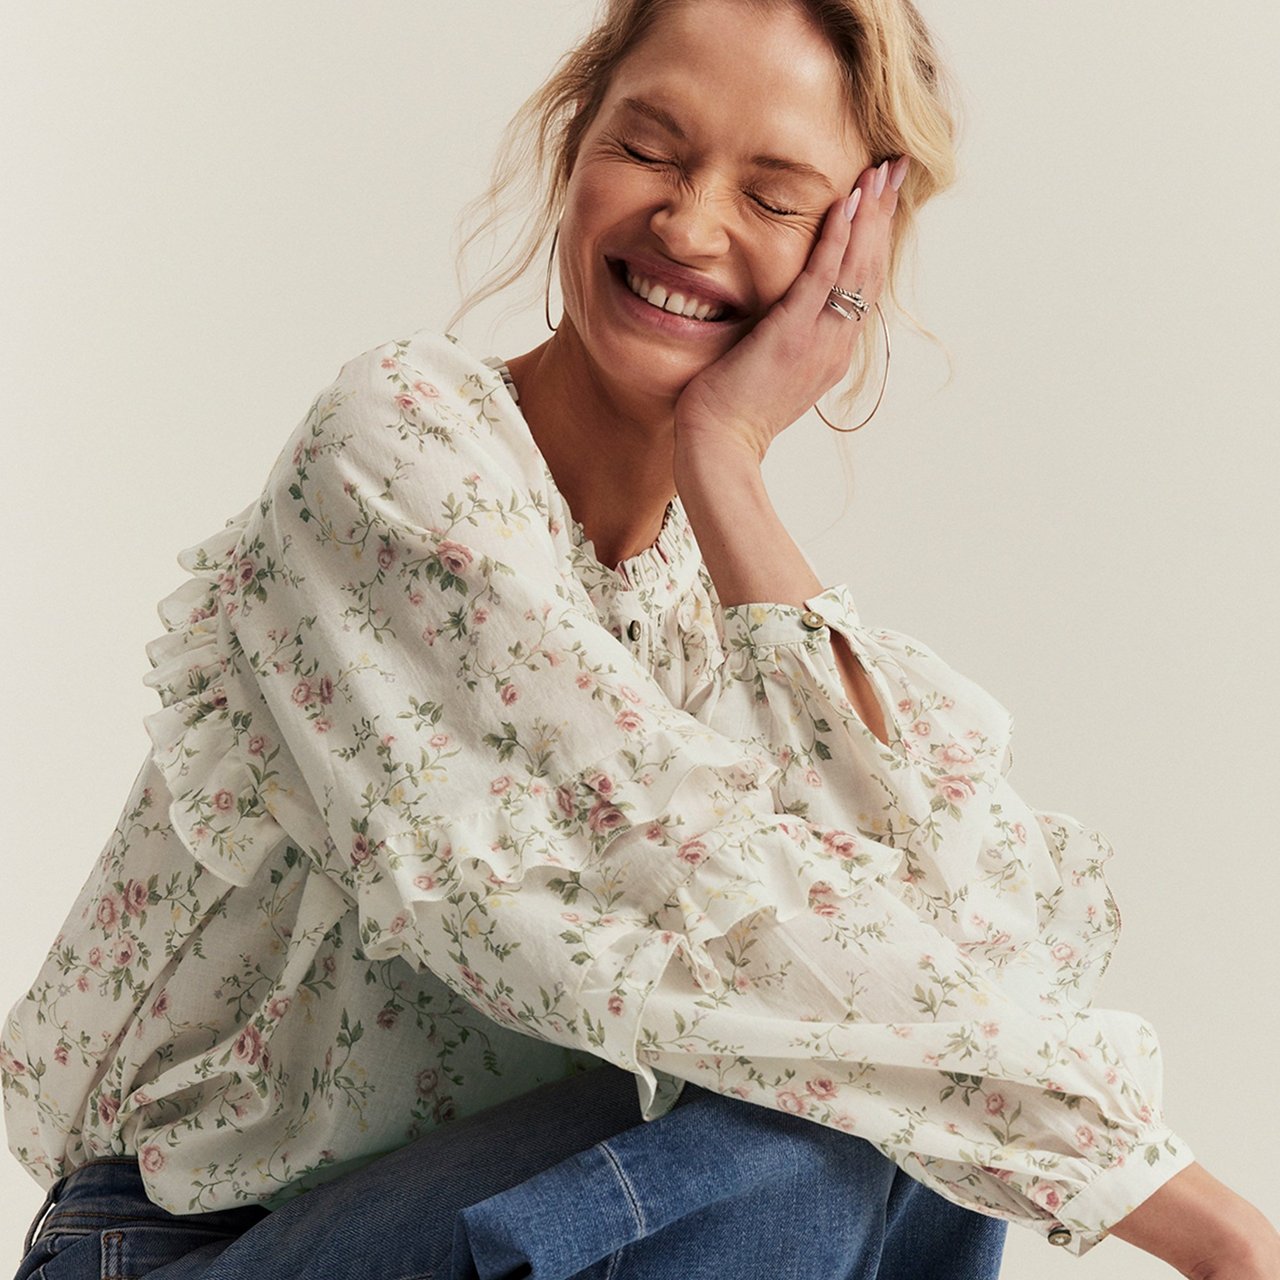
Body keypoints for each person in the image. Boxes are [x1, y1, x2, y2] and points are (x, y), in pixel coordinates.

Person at [3, 0, 1277, 1277]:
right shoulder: (399, 449)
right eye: (652, 150)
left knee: (881, 1105)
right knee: (821, 1120)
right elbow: (616, 873)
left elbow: (960, 930)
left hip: (500, 1237)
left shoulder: (707, 614)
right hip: (191, 1250)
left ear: (853, 261)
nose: (689, 223)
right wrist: (1203, 1226)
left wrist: (724, 462)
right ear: (574, 144)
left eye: (776, 199)